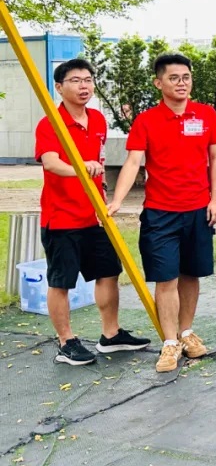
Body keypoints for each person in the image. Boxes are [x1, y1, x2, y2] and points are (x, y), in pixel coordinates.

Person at [108, 53, 216, 373]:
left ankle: (186, 333)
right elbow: (133, 161)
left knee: (191, 274)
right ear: (159, 83)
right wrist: (117, 200)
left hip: (198, 210)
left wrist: (215, 198)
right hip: (160, 213)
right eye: (174, 78)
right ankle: (170, 342)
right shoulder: (146, 120)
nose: (182, 83)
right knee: (166, 278)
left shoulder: (205, 115)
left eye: (186, 77)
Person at [35, 59, 151, 366]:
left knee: (108, 271)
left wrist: (103, 194)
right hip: (61, 217)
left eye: (88, 80)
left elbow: (98, 163)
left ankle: (110, 335)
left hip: (95, 215)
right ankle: (66, 342)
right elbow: (50, 162)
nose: (84, 86)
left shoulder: (97, 119)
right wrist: (80, 168)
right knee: (61, 281)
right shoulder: (50, 123)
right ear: (59, 87)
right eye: (75, 81)